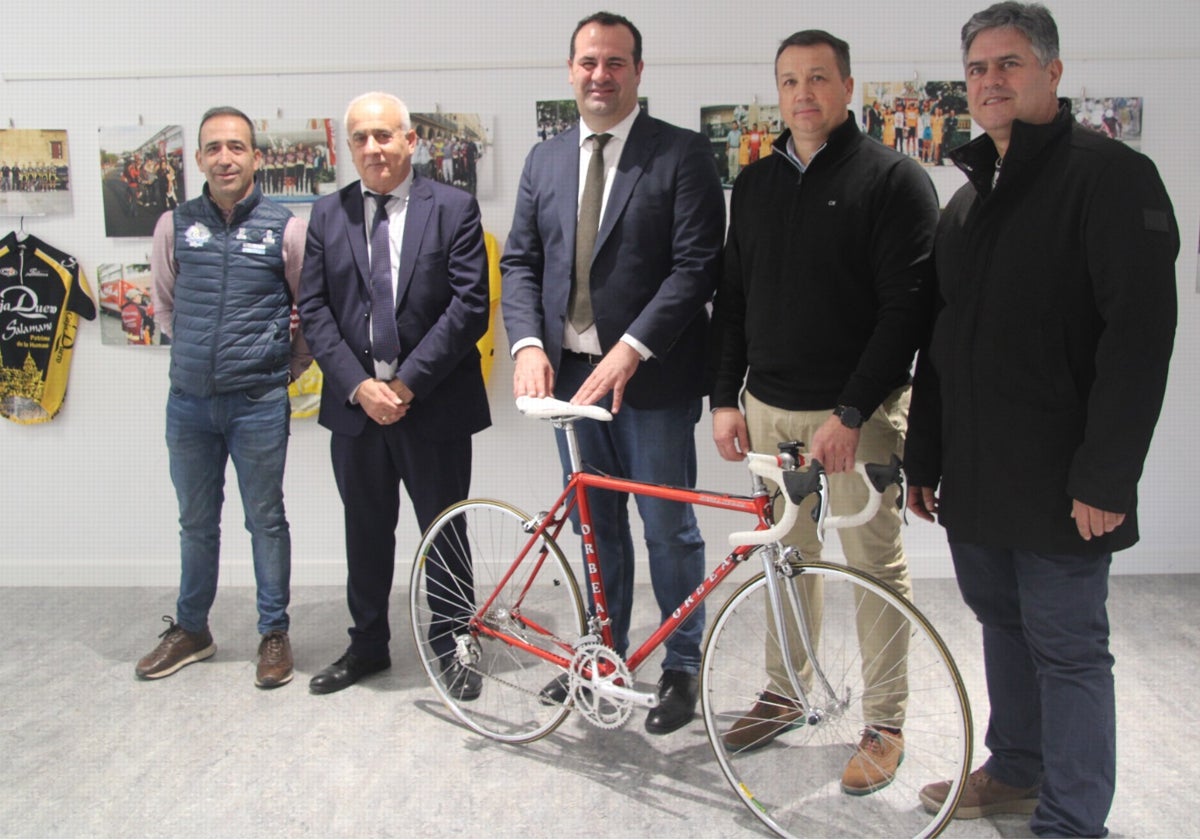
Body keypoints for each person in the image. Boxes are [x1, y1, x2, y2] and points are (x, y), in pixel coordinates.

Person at [904, 4, 1178, 836]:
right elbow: (943, 343)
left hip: (1066, 484)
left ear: (1052, 75)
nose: (991, 81)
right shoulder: (967, 202)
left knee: (1070, 653)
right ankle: (1019, 769)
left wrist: (1107, 476)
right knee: (1002, 628)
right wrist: (925, 458)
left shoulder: (1112, 178)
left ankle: (1071, 818)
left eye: (1009, 64)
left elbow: (1139, 342)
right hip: (980, 480)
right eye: (978, 69)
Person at [708, 29, 938, 794]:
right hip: (769, 412)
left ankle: (884, 722)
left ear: (847, 87)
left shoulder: (894, 179)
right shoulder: (759, 182)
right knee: (787, 558)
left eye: (817, 79)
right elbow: (733, 301)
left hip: (858, 417)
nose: (802, 94)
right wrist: (723, 397)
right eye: (788, 81)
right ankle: (785, 692)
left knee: (874, 564)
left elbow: (905, 312)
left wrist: (850, 409)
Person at [501, 11, 724, 735]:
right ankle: (603, 652)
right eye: (589, 62)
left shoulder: (682, 155)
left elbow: (697, 268)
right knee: (597, 528)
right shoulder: (544, 161)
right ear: (571, 70)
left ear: (638, 71)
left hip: (651, 383)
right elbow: (521, 261)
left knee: (668, 529)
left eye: (616, 63)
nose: (601, 75)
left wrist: (633, 347)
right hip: (569, 381)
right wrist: (528, 342)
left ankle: (681, 666)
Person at [298, 92, 491, 697]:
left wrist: (404, 385)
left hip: (430, 405)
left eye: (384, 135)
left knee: (444, 530)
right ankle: (367, 647)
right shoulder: (327, 214)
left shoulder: (454, 207)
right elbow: (313, 309)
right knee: (366, 529)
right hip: (357, 412)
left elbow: (469, 308)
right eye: (360, 138)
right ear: (348, 147)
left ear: (411, 141)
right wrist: (360, 387)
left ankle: (453, 642)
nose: (373, 148)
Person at [139, 106, 311, 689]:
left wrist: (282, 369)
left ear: (256, 157)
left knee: (265, 519)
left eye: (236, 147)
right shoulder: (173, 224)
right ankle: (192, 629)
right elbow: (165, 307)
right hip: (188, 403)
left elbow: (308, 311)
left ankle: (274, 633)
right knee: (195, 522)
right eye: (213, 148)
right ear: (199, 159)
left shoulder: (285, 228)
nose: (225, 157)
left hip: (257, 403)